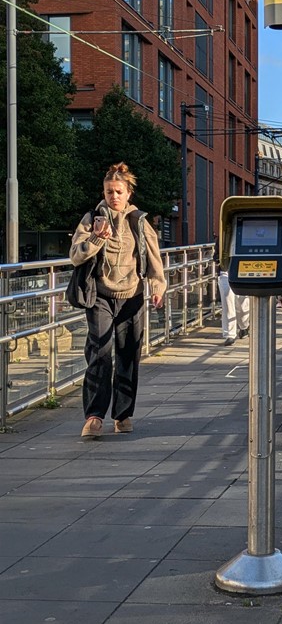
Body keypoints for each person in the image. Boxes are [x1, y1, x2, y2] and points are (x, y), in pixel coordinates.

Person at [70, 163, 166, 439]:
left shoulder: (139, 221)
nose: (113, 196)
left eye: (118, 192)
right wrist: (97, 240)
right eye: (109, 191)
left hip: (131, 296)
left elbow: (154, 260)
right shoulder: (92, 219)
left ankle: (123, 415)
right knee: (99, 352)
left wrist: (158, 287)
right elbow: (76, 255)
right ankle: (94, 416)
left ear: (128, 193)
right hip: (99, 295)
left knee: (128, 355)